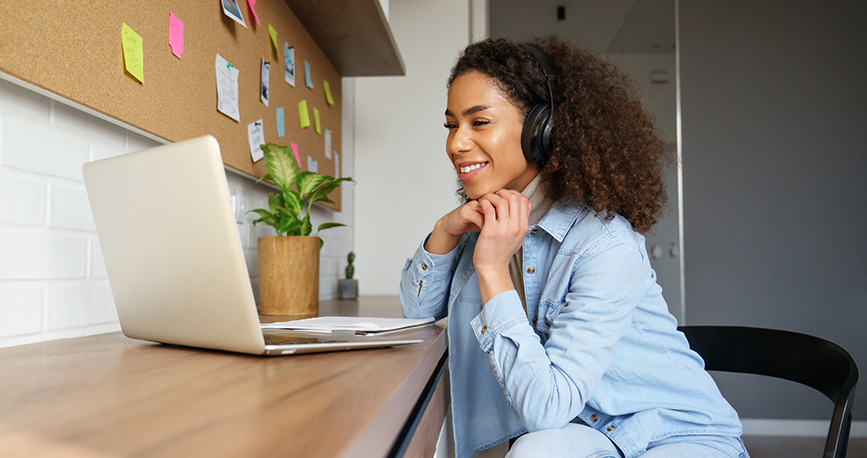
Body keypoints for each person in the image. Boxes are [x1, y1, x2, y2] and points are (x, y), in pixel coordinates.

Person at [399, 37, 749, 458]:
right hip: (593, 434)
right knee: (535, 452)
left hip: (673, 435)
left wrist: (491, 269)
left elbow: (545, 408)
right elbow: (417, 315)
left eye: (480, 122)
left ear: (541, 129)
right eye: (452, 124)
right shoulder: (488, 223)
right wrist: (445, 231)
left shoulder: (604, 245)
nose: (456, 144)